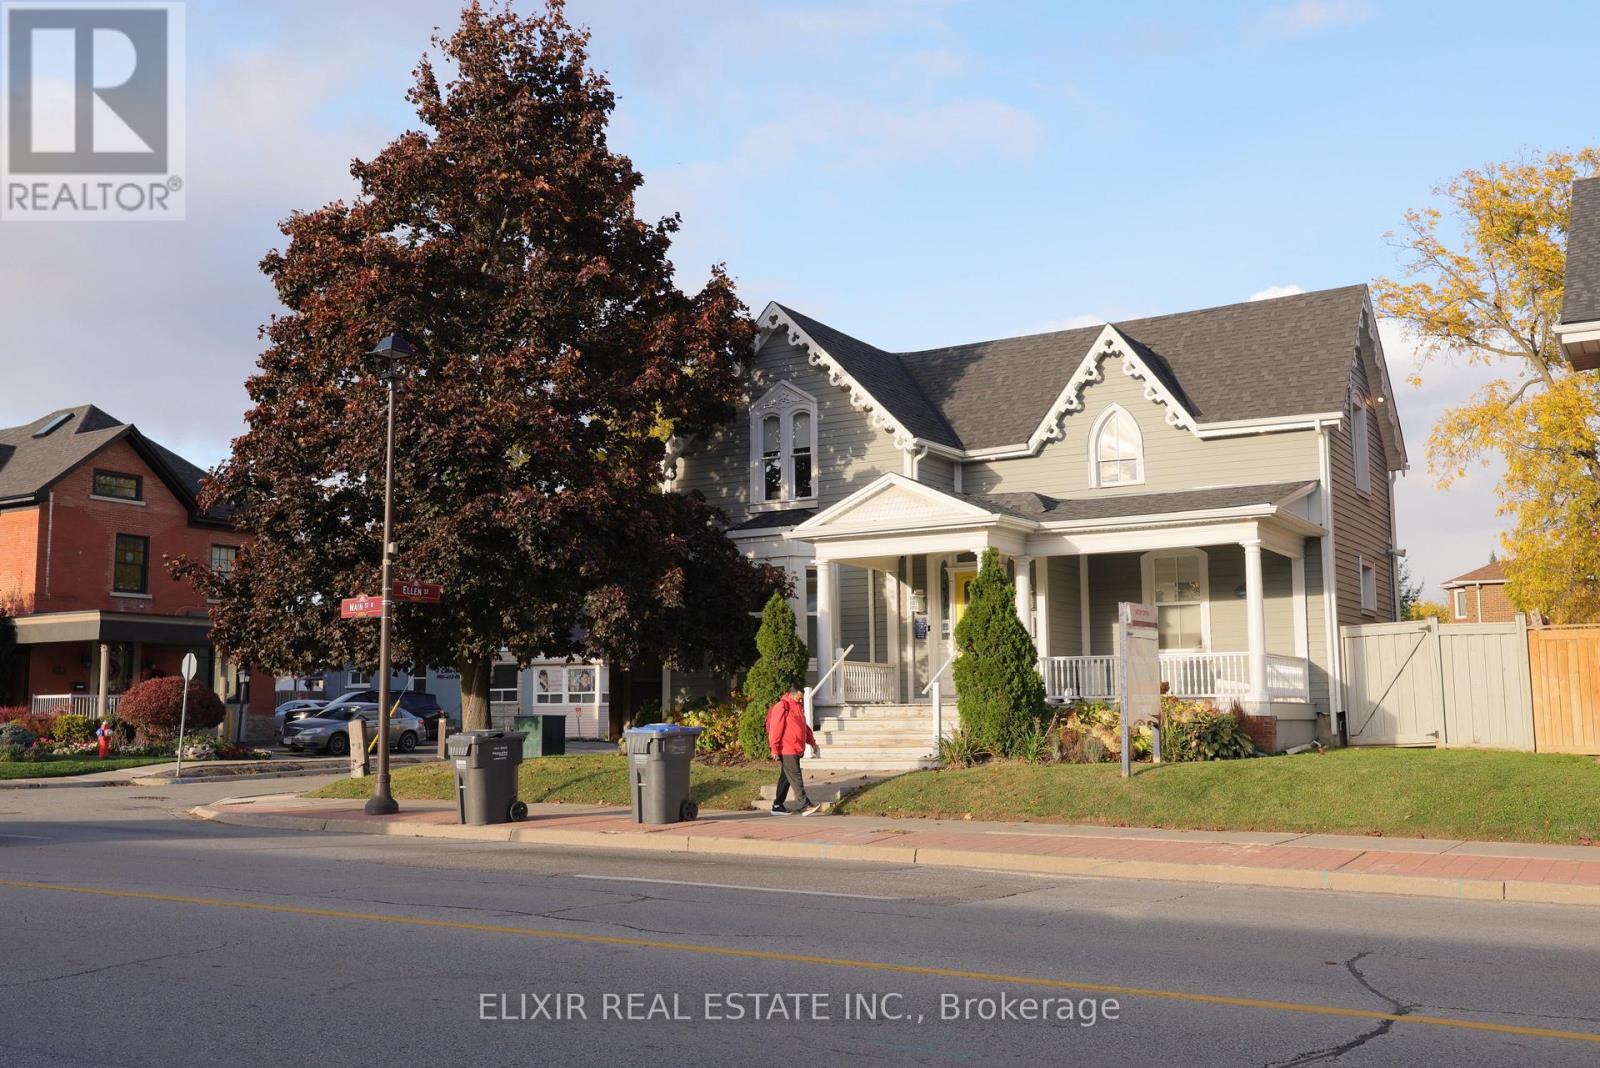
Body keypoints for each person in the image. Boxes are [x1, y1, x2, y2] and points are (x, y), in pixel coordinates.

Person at [766, 689, 822, 816]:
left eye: (802, 698)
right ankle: (805, 805)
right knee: (796, 777)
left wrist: (812, 743)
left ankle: (777, 805)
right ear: (791, 694)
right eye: (799, 698)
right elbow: (775, 728)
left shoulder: (797, 707)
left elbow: (804, 728)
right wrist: (774, 747)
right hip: (786, 748)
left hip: (795, 748)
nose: (801, 700)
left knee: (786, 777)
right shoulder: (782, 706)